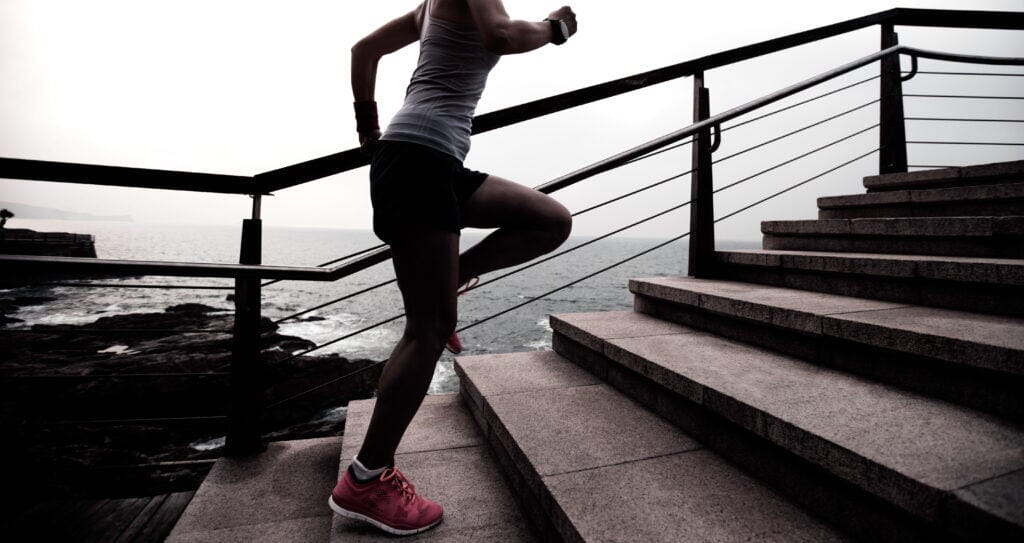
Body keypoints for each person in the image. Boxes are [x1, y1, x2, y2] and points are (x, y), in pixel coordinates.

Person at [328, 0, 578, 536]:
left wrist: (368, 130)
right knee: (427, 330)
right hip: (419, 162)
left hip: (433, 162)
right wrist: (555, 29)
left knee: (550, 220)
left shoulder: (427, 7)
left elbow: (363, 51)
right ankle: (366, 479)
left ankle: (456, 275)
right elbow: (501, 36)